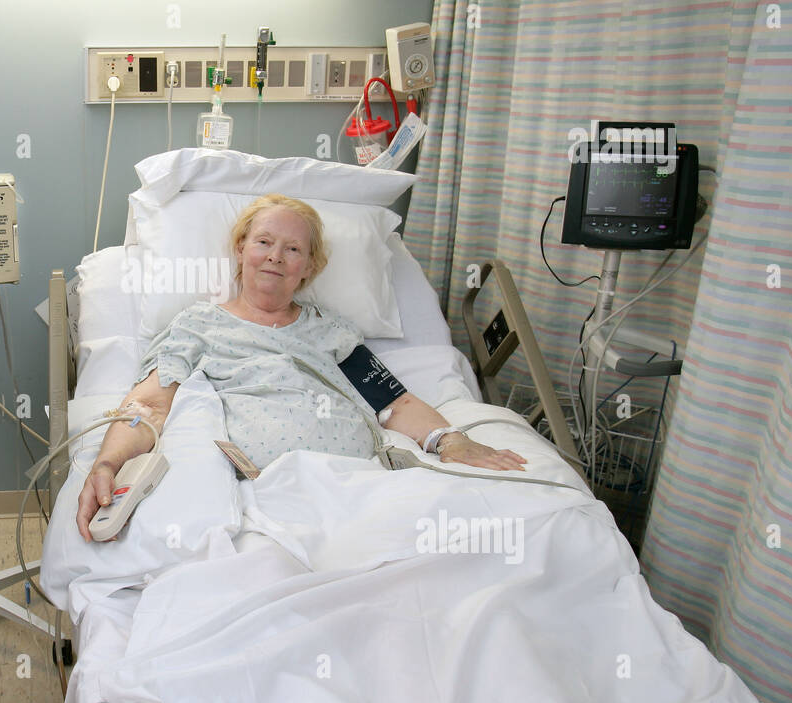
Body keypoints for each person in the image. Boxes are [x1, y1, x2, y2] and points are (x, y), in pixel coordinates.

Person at [77, 193, 526, 541]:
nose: (275, 256)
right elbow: (148, 406)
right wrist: (108, 463)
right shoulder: (197, 327)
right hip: (264, 494)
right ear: (241, 248)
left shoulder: (332, 331)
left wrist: (451, 439)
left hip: (362, 488)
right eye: (264, 242)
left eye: (293, 249)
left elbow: (392, 401)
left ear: (309, 267)